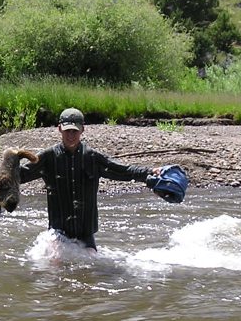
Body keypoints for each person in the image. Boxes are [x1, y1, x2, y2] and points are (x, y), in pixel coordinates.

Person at [19, 107, 157, 250]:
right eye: (67, 131)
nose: (71, 135)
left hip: (86, 233)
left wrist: (149, 172)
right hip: (58, 233)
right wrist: (5, 169)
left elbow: (123, 170)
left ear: (82, 130)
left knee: (91, 269)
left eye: (75, 131)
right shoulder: (48, 157)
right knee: (55, 267)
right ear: (59, 129)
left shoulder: (92, 157)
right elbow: (20, 175)